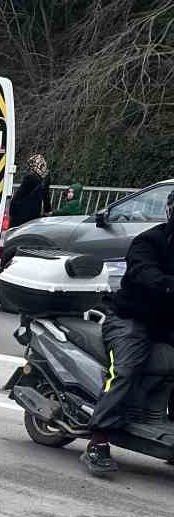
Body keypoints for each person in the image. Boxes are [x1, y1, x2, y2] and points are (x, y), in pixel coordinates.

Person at [84, 187, 174, 475]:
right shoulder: (149, 241)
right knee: (125, 368)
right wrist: (167, 285)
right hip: (131, 318)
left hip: (165, 322)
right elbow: (143, 271)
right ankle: (98, 439)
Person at [10, 153, 52, 227]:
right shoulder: (45, 178)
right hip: (34, 213)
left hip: (21, 213)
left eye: (31, 167)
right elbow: (46, 196)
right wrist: (47, 210)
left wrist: (11, 210)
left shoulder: (29, 178)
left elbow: (19, 196)